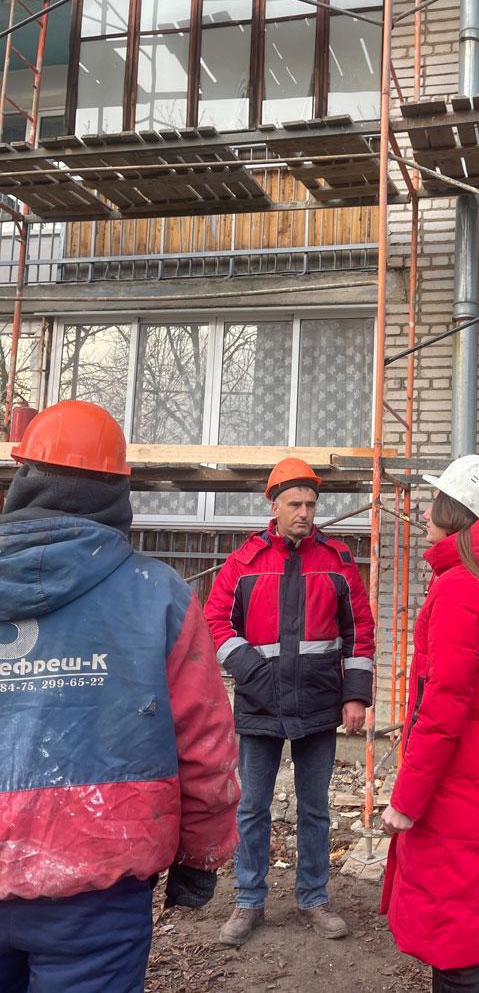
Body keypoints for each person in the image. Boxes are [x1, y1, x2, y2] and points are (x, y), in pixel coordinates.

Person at [0, 400, 239, 993]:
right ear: (117, 491)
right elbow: (204, 744)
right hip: (99, 886)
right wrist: (200, 855)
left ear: (23, 478)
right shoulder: (158, 594)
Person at [380, 454, 479, 993]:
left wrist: (406, 802)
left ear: (460, 512)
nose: (426, 513)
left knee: (455, 941)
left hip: (459, 798)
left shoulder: (461, 587)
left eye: (436, 502)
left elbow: (441, 710)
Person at [205, 457, 375, 946]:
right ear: (274, 506)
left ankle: (313, 898)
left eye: (311, 504)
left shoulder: (338, 560)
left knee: (315, 808)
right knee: (252, 808)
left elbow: (359, 630)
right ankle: (248, 901)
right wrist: (253, 672)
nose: (304, 512)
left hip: (319, 704)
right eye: (295, 503)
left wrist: (356, 696)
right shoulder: (243, 563)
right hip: (260, 703)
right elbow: (215, 622)